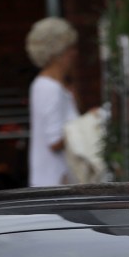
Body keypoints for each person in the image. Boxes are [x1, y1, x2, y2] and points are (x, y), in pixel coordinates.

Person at [25, 17, 81, 186]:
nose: (74, 53)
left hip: (60, 180)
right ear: (57, 54)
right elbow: (55, 141)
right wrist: (90, 123)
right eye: (70, 48)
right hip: (54, 182)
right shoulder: (49, 88)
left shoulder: (56, 85)